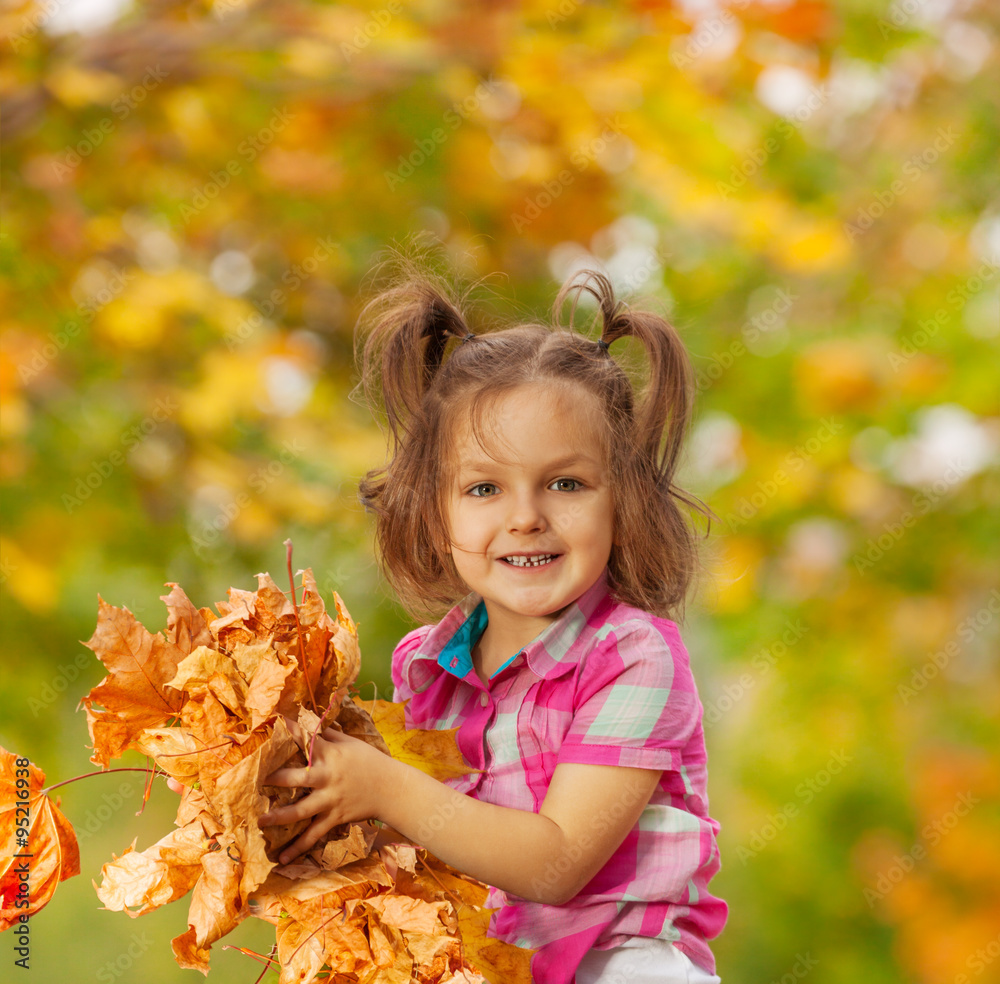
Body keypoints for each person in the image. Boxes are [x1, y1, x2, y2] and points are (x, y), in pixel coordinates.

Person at [258, 262, 728, 984]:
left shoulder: (634, 657)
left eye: (565, 483)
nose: (525, 517)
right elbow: (427, 836)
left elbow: (556, 862)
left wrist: (383, 786)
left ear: (621, 499)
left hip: (624, 966)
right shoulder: (428, 664)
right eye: (484, 487)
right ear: (434, 508)